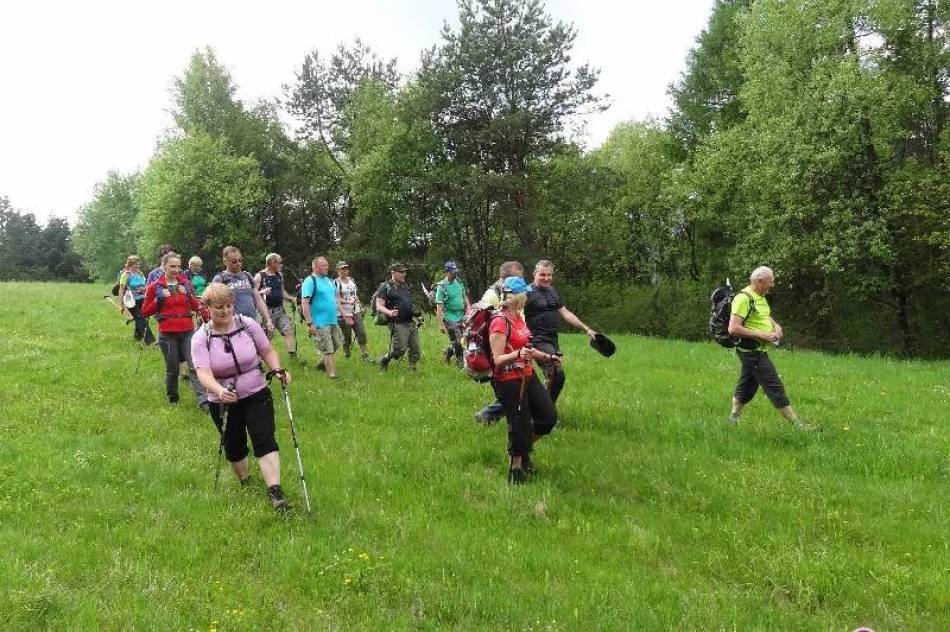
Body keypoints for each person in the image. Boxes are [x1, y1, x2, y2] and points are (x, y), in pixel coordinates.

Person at [192, 283, 293, 512]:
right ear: (207, 307)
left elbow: (266, 350)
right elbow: (203, 373)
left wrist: (277, 369)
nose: (225, 311)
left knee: (264, 437)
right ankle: (245, 481)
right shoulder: (201, 338)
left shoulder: (247, 324)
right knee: (234, 446)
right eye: (219, 307)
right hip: (223, 400)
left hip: (256, 391)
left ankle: (275, 491)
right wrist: (218, 391)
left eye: (229, 305)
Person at [727, 266, 818, 431]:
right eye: (771, 281)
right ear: (759, 281)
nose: (773, 284)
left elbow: (764, 315)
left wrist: (776, 326)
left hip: (758, 351)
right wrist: (763, 335)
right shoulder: (743, 298)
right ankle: (798, 425)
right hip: (752, 352)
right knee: (774, 386)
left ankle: (732, 420)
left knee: (747, 387)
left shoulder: (759, 297)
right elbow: (733, 328)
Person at [489, 276, 559, 484]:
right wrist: (517, 354)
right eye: (526, 294)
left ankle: (522, 450)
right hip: (509, 380)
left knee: (548, 418)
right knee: (519, 424)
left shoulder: (518, 317)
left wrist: (547, 357)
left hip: (528, 375)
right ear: (519, 297)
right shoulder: (499, 321)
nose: (528, 297)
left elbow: (527, 348)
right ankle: (516, 469)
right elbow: (497, 359)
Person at [142, 253, 210, 408]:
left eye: (178, 266)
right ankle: (173, 399)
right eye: (172, 266)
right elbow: (145, 311)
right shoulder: (154, 287)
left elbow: (196, 305)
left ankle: (204, 401)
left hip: (187, 330)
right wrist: (159, 298)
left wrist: (189, 296)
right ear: (164, 266)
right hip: (167, 333)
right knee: (172, 368)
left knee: (194, 366)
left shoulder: (185, 284)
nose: (176, 270)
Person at [524, 259, 597, 405]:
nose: (546, 278)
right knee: (556, 373)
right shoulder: (526, 292)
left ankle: (543, 409)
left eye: (549, 275)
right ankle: (545, 410)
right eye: (542, 274)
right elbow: (516, 315)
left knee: (554, 377)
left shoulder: (552, 291)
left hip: (552, 339)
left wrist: (586, 329)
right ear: (534, 274)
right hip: (537, 339)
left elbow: (565, 312)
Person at [474, 261, 525, 423]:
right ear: (505, 277)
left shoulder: (515, 294)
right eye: (517, 277)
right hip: (501, 349)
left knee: (519, 388)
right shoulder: (492, 295)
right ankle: (488, 415)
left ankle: (491, 415)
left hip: (516, 343)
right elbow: (484, 323)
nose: (520, 282)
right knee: (512, 390)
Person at [212, 246, 274, 336]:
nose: (239, 263)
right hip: (233, 326)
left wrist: (268, 319)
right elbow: (214, 305)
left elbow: (258, 299)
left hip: (253, 322)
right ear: (225, 261)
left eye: (240, 260)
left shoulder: (247, 276)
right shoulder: (220, 279)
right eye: (234, 261)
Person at [300, 256, 343, 379]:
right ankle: (332, 375)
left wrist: (344, 314)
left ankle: (321, 364)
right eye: (324, 265)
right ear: (315, 267)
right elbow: (305, 303)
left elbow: (335, 298)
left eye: (327, 265)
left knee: (336, 344)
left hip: (332, 319)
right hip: (320, 322)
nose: (327, 267)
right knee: (328, 348)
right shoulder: (310, 281)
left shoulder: (329, 280)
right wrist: (310, 323)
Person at [376, 263, 421, 372]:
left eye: (405, 272)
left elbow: (408, 304)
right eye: (401, 272)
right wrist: (390, 312)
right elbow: (379, 305)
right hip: (397, 322)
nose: (404, 274)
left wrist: (417, 316)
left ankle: (413, 368)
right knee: (399, 350)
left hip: (410, 321)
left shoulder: (405, 286)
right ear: (393, 272)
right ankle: (384, 360)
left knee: (415, 348)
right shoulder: (385, 287)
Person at [254, 253, 298, 360]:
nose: (281, 265)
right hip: (266, 312)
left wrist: (289, 299)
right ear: (273, 263)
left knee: (288, 331)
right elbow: (252, 293)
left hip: (280, 310)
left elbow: (282, 291)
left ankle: (293, 357)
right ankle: (261, 360)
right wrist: (262, 292)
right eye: (279, 262)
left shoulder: (279, 275)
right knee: (267, 338)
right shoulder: (260, 276)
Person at [334, 261, 372, 362]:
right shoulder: (335, 283)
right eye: (342, 269)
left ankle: (365, 355)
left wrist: (360, 306)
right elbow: (336, 299)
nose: (344, 271)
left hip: (356, 311)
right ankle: (347, 353)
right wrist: (348, 302)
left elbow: (355, 295)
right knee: (347, 337)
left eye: (346, 268)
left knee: (361, 332)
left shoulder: (352, 280)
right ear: (337, 271)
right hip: (343, 313)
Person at [435, 261, 470, 369]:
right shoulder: (442, 287)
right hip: (449, 318)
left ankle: (448, 352)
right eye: (453, 272)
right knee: (459, 342)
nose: (455, 274)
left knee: (465, 339)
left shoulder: (459, 282)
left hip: (461, 316)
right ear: (447, 272)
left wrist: (468, 307)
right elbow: (439, 307)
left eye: (456, 271)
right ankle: (460, 364)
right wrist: (441, 324)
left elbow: (464, 296)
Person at [117, 255, 155, 345]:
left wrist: (145, 289)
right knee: (141, 319)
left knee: (142, 318)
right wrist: (121, 305)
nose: (138, 266)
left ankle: (137, 337)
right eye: (135, 264)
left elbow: (145, 285)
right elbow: (121, 290)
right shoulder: (125, 275)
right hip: (131, 301)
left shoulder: (140, 274)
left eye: (138, 264)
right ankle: (150, 341)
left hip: (143, 299)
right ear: (130, 264)